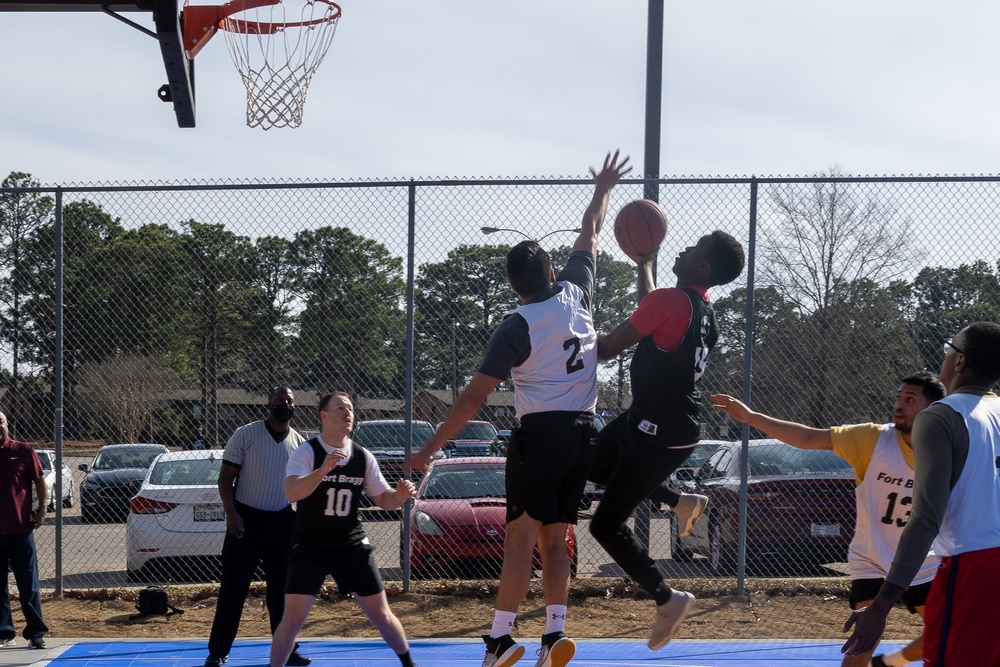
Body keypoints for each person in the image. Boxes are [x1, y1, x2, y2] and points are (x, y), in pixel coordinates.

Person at [410, 150, 632, 667]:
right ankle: (555, 633)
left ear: (513, 285)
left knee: (519, 536)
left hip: (543, 436)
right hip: (585, 433)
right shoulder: (577, 293)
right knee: (558, 537)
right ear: (551, 270)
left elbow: (472, 399)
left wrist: (431, 448)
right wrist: (602, 190)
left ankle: (501, 638)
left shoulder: (517, 325)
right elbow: (590, 232)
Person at [711, 370, 946, 667]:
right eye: (898, 397)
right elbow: (809, 437)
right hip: (872, 556)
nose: (899, 404)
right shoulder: (873, 438)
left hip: (922, 560)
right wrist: (751, 417)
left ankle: (890, 663)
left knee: (944, 632)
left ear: (933, 409)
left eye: (910, 399)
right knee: (861, 642)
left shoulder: (947, 449)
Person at [587, 230, 745, 651]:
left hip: (660, 432)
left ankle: (668, 598)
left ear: (704, 266)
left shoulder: (670, 302)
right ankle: (680, 501)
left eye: (693, 248)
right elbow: (652, 305)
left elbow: (604, 349)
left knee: (605, 524)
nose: (683, 248)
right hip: (656, 421)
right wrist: (643, 265)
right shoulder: (700, 307)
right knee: (591, 461)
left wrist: (562, 325)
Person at [843, 322, 1000, 666]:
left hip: (973, 565)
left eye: (949, 348)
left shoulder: (940, 416)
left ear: (960, 362)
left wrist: (882, 604)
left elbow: (926, 516)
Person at [269, 392, 417, 667]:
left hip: (351, 545)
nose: (348, 413)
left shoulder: (362, 456)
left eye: (350, 409)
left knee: (381, 614)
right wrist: (323, 470)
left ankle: (409, 663)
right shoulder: (308, 452)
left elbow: (383, 499)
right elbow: (291, 493)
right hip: (310, 547)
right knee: (292, 620)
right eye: (340, 408)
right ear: (324, 416)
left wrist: (398, 496)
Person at [205, 386, 310, 667]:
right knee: (233, 589)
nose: (284, 404)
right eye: (279, 400)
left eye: (289, 401)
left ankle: (286, 650)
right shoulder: (246, 434)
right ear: (269, 404)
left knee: (282, 593)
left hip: (282, 521)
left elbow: (302, 488)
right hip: (245, 521)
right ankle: (217, 652)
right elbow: (225, 479)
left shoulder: (300, 442)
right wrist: (231, 513)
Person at [0, 411, 48, 649]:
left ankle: (36, 632)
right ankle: (4, 633)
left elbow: (39, 481)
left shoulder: (23, 450)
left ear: (7, 425)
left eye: (0, 422)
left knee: (28, 584)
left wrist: (41, 510)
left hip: (21, 530)